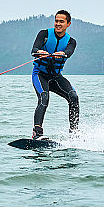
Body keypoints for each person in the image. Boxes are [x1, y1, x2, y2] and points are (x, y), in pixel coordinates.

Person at [31, 10, 79, 139]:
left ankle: (74, 133)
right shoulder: (44, 34)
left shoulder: (71, 41)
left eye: (61, 21)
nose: (58, 24)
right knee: (44, 98)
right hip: (40, 75)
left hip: (56, 77)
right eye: (56, 21)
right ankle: (37, 133)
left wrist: (63, 54)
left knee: (73, 97)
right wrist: (39, 52)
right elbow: (34, 49)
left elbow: (69, 52)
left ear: (68, 24)